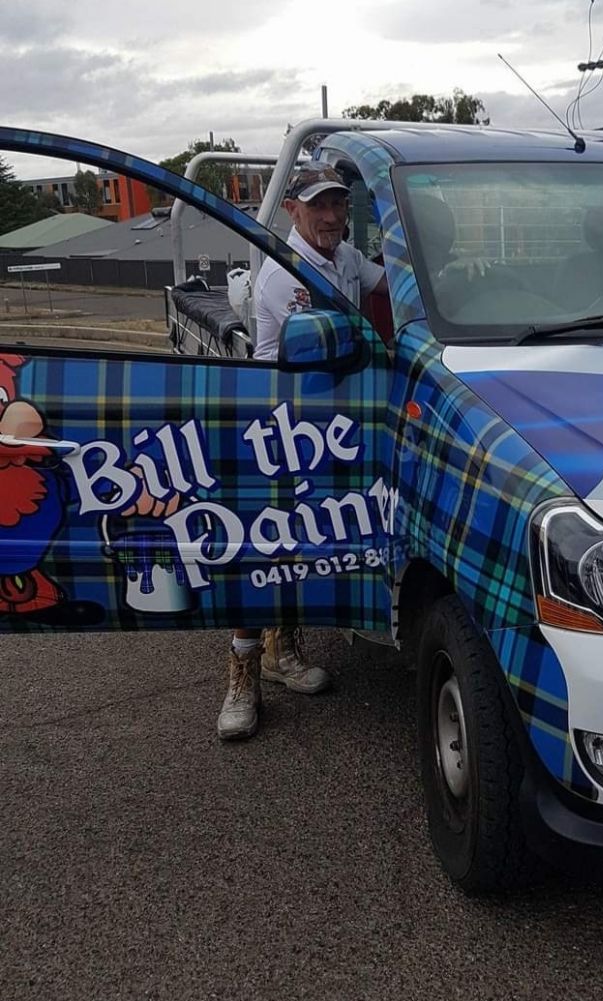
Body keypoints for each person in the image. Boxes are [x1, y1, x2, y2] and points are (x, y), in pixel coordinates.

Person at [218, 165, 387, 741]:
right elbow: (323, 349)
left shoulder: (342, 257)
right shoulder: (285, 276)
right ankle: (242, 675)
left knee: (309, 539)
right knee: (263, 545)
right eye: (319, 206)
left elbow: (386, 284)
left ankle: (282, 652)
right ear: (293, 209)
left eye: (339, 205)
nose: (333, 217)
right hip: (281, 427)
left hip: (333, 419)